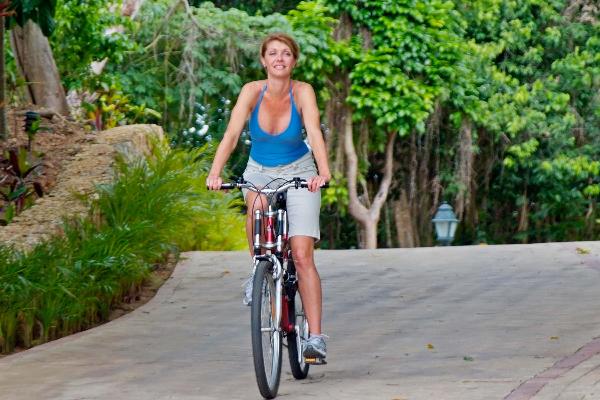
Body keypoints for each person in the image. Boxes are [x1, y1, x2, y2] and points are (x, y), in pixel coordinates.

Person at [206, 33, 331, 361]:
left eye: (286, 54)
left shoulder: (303, 92)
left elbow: (314, 132)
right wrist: (215, 172)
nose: (279, 58)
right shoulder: (251, 91)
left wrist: (323, 171)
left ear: (294, 61)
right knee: (256, 206)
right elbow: (232, 134)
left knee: (302, 254)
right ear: (263, 60)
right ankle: (259, 271)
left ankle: (315, 337)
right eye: (273, 53)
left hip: (300, 171)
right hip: (259, 170)